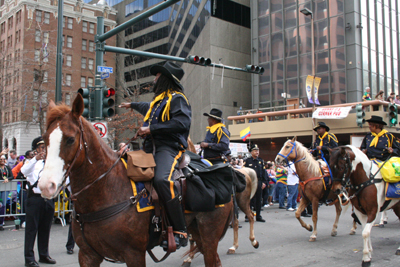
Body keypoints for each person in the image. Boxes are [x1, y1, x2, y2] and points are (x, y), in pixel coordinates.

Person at [119, 61, 191, 250]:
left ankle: (181, 230)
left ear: (165, 79)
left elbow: (182, 123)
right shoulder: (159, 102)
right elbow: (148, 109)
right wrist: (132, 104)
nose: (154, 79)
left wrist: (151, 128)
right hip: (151, 148)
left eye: (157, 76)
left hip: (169, 147)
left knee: (161, 180)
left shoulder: (178, 99)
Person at [21, 137, 56, 267]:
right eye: (42, 147)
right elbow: (24, 171)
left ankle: (44, 255)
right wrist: (35, 159)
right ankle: (29, 258)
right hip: (34, 199)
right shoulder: (31, 163)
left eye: (46, 148)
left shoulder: (50, 164)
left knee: (45, 228)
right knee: (31, 230)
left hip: (48, 199)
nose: (44, 150)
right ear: (36, 149)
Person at [244, 144, 268, 222]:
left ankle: (258, 216)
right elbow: (245, 172)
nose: (257, 152)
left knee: (258, 199)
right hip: (251, 182)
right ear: (251, 152)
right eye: (255, 151)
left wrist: (264, 182)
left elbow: (264, 172)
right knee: (249, 199)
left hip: (259, 181)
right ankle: (248, 215)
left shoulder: (260, 161)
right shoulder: (248, 161)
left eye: (257, 151)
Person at [0, 154, 14, 230]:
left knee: (3, 205)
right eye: (1, 159)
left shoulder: (7, 167)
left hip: (5, 188)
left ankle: (1, 222)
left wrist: (8, 179)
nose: (2, 161)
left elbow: (12, 176)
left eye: (4, 159)